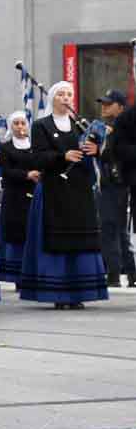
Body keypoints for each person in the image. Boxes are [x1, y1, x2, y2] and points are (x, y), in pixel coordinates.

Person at [19, 81, 108, 310]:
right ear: (52, 98)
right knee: (56, 240)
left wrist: (95, 151)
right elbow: (36, 158)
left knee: (81, 240)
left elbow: (96, 157)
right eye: (61, 94)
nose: (66, 98)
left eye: (69, 94)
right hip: (54, 191)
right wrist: (63, 156)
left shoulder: (81, 126)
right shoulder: (41, 125)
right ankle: (59, 293)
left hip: (80, 192)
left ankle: (79, 292)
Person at [94, 90, 134, 288]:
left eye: (109, 104)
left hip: (117, 182)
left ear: (120, 107)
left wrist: (101, 151)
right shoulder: (105, 128)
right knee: (115, 227)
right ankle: (128, 272)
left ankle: (114, 273)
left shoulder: (121, 128)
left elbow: (118, 154)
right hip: (107, 182)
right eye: (103, 103)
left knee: (111, 227)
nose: (104, 107)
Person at [0, 112, 38, 286]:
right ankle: (16, 275)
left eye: (23, 123)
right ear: (10, 126)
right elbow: (5, 171)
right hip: (14, 197)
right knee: (16, 234)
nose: (20, 127)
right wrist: (26, 175)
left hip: (33, 195)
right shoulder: (6, 148)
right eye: (16, 123)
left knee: (31, 232)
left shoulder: (35, 146)